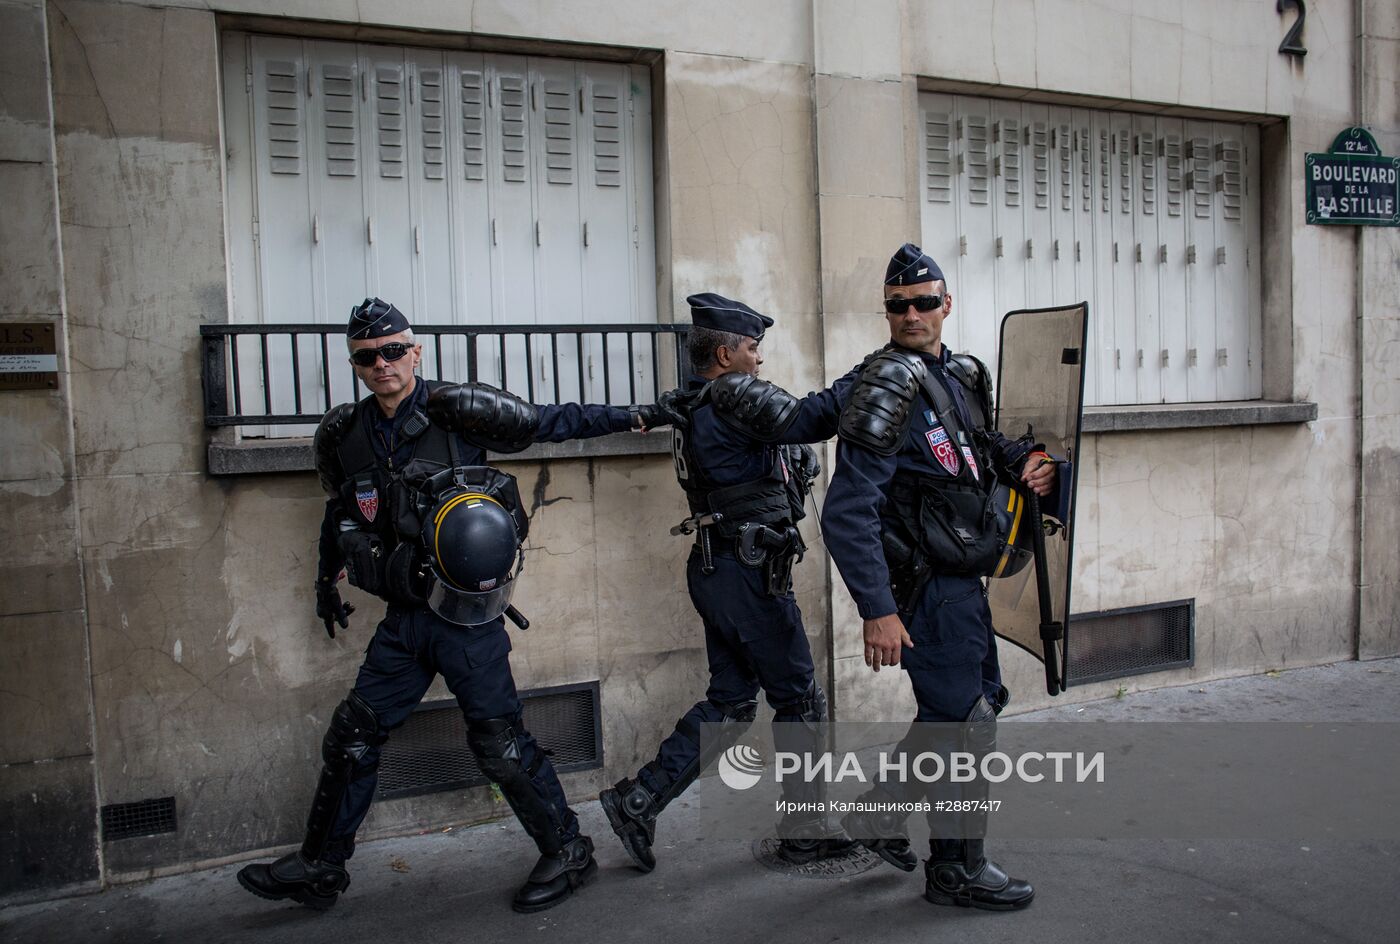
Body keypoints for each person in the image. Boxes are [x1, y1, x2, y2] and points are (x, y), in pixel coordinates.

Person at [237, 297, 661, 913]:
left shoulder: (458, 413)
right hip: (405, 620)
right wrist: (324, 581)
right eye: (366, 356)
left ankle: (568, 849)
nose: (381, 364)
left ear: (415, 351)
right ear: (355, 364)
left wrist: (636, 415)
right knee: (353, 735)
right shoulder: (349, 435)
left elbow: (550, 421)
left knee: (500, 744)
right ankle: (321, 867)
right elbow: (342, 516)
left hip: (466, 621)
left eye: (392, 351)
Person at [822, 245, 1057, 911]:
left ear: (946, 305)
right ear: (887, 312)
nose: (912, 313)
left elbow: (981, 448)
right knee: (964, 728)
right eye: (899, 305)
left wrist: (1028, 461)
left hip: (964, 578)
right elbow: (845, 512)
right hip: (926, 586)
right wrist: (877, 609)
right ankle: (956, 869)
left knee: (964, 713)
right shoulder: (888, 387)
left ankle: (878, 815)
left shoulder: (954, 376)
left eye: (925, 301)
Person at [599, 293, 860, 870]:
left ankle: (637, 799)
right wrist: (870, 372)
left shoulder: (700, 405)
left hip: (722, 567)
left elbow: (779, 461)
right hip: (746, 572)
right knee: (799, 699)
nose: (759, 360)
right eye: (751, 347)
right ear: (724, 352)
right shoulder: (728, 399)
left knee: (733, 701)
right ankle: (806, 829)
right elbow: (809, 419)